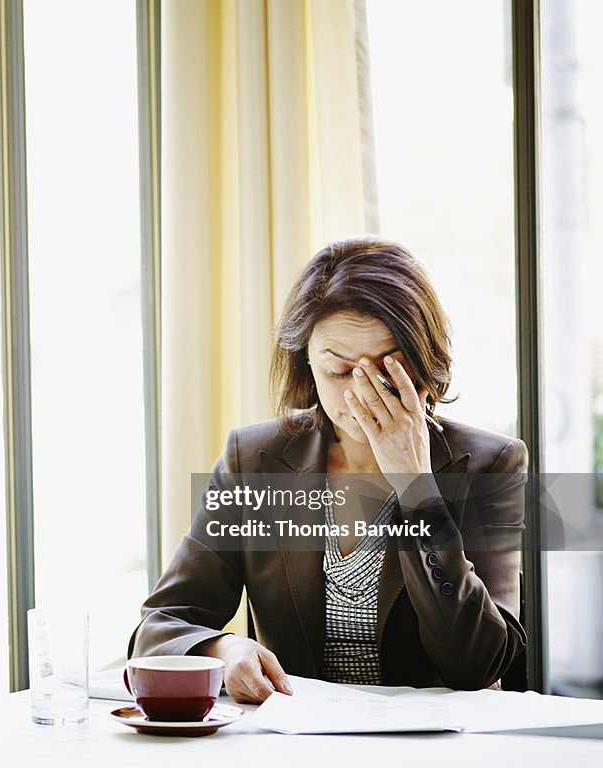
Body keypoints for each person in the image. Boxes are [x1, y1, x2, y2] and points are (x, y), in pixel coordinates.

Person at [128, 238, 527, 702]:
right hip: (298, 738)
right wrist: (221, 646)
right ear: (307, 366)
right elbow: (158, 629)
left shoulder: (490, 464)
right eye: (339, 371)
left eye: (389, 368)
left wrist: (415, 485)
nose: (362, 394)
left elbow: (476, 665)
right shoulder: (254, 460)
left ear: (421, 364)